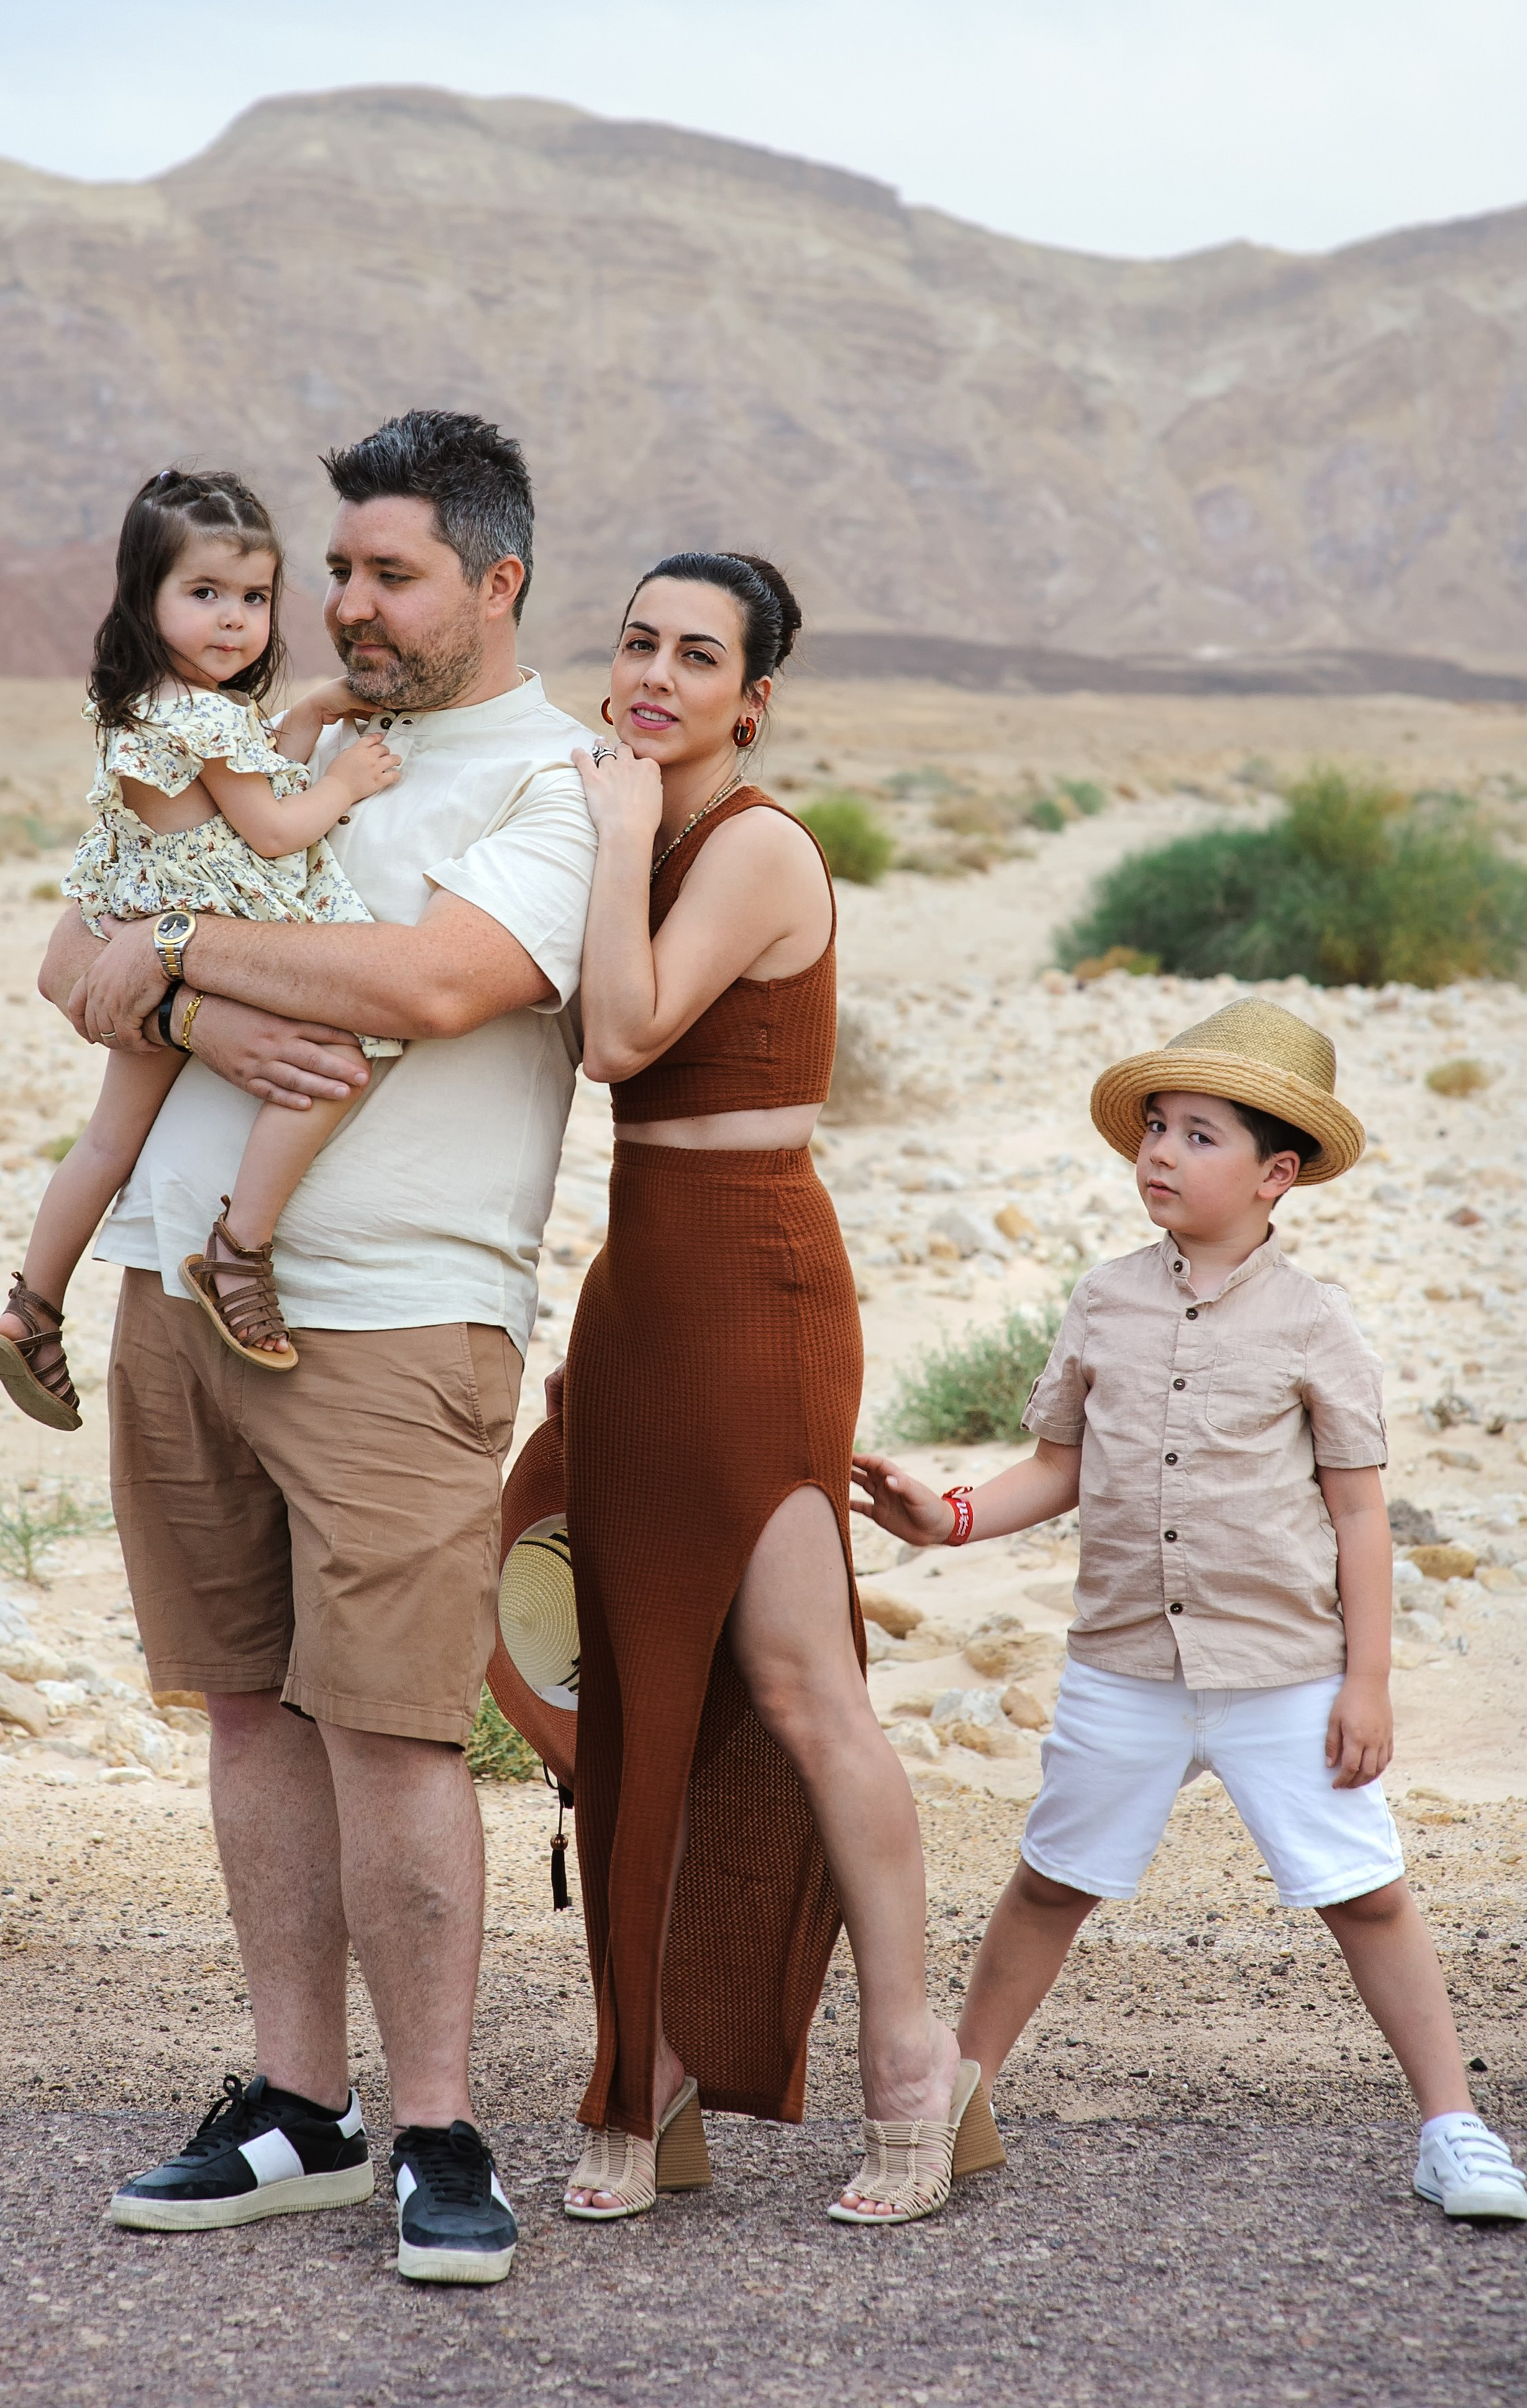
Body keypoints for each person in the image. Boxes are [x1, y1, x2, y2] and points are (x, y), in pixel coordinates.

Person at [35, 412, 598, 2286]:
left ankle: (436, 2124)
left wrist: (180, 961)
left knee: (395, 1724)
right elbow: (70, 962)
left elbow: (438, 985)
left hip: (395, 1327)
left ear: (496, 583)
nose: (342, 602)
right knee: (250, 1703)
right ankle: (300, 2105)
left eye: (389, 573)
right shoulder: (269, 737)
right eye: (333, 569)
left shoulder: (560, 778)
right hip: (177, 1296)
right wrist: (185, 982)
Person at [852, 997, 1527, 2227]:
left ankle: (1454, 2126)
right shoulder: (1105, 1302)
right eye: (1154, 1128)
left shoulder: (1317, 1325)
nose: (1159, 1152)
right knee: (1052, 1882)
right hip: (1125, 1664)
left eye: (1199, 1135)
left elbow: (1362, 1517)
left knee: (1365, 1890)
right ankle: (951, 2102)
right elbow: (1059, 1468)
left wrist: (1366, 1683)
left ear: (1279, 1174)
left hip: (1284, 1674)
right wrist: (947, 1516)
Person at [549, 551, 1001, 2230]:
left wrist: (607, 834)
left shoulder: (741, 845)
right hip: (639, 1287)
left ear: (754, 696)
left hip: (751, 1281)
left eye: (698, 656)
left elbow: (619, 1033)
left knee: (805, 1685)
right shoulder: (636, 821)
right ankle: (641, 2072)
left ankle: (913, 2071)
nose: (655, 674)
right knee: (634, 1693)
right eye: (635, 642)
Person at [0, 467, 404, 1429]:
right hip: (214, 931)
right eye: (204, 594)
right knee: (341, 1060)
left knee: (106, 1140)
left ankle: (31, 1310)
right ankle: (241, 1248)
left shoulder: (145, 702)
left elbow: (238, 787)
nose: (234, 621)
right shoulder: (205, 716)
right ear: (145, 597)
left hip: (142, 923)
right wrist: (351, 782)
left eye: (254, 598)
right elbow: (275, 831)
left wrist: (305, 719)